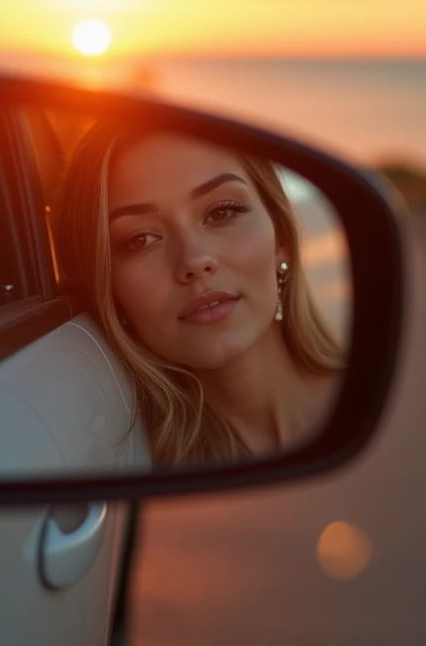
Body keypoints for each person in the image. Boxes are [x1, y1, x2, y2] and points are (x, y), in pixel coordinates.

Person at [53, 120, 343, 466]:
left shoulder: (392, 404)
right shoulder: (131, 463)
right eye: (140, 239)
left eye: (221, 212)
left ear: (280, 237)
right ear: (108, 287)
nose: (194, 260)